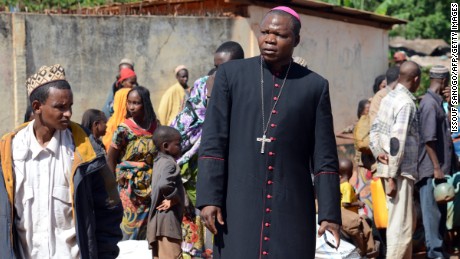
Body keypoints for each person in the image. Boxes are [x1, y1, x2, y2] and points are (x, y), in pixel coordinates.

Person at [196, 6, 341, 258]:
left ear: (296, 40)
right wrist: (209, 198)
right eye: (264, 32)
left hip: (292, 205)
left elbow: (325, 157)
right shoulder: (230, 76)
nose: (269, 39)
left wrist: (329, 214)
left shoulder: (314, 86)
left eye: (280, 35)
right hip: (237, 203)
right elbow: (213, 142)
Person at [0, 64, 123, 258]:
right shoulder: (10, 151)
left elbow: (109, 208)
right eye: (60, 107)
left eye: (70, 106)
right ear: (37, 107)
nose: (68, 113)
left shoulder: (85, 150)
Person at [171, 41, 244, 258]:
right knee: (200, 225)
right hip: (198, 168)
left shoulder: (249, 87)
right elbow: (183, 126)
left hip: (236, 167)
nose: (220, 73)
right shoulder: (203, 86)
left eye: (226, 68)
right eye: (216, 66)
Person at [370, 61, 421, 259]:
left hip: (390, 170)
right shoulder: (406, 103)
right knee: (401, 229)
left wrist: (377, 152)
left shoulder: (389, 97)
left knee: (403, 226)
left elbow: (374, 131)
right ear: (416, 80)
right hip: (399, 173)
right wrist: (392, 176)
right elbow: (396, 143)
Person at [107, 86, 158, 240]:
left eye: (136, 103)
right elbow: (110, 158)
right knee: (128, 232)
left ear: (146, 104)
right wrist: (113, 185)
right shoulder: (124, 129)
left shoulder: (155, 127)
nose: (131, 107)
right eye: (129, 102)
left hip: (150, 187)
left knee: (149, 233)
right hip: (129, 188)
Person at [417, 65, 452, 259]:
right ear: (445, 81)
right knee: (432, 218)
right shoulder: (429, 104)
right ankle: (435, 254)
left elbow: (451, 128)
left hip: (439, 171)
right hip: (432, 171)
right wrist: (437, 168)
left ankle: (440, 252)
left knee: (439, 216)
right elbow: (428, 139)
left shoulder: (438, 103)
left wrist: (452, 104)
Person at [147, 126, 185, 259]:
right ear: (166, 146)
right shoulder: (169, 164)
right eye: (178, 144)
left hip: (158, 222)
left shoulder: (158, 162)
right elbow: (165, 184)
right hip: (168, 223)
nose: (181, 146)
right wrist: (174, 198)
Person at [102, 68, 138, 150]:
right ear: (122, 82)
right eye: (132, 83)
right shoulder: (127, 93)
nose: (134, 85)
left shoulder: (118, 94)